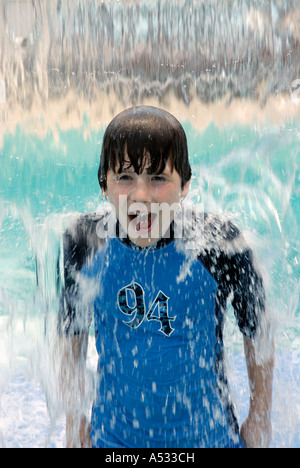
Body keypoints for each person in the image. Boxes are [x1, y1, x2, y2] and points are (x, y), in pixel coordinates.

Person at [58, 106, 274, 448]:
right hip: (114, 440)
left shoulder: (217, 245)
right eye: (125, 177)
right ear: (104, 183)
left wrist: (260, 419)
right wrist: (74, 422)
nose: (141, 196)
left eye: (158, 178)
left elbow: (258, 329)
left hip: (208, 438)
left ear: (185, 184)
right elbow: (70, 335)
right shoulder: (86, 242)